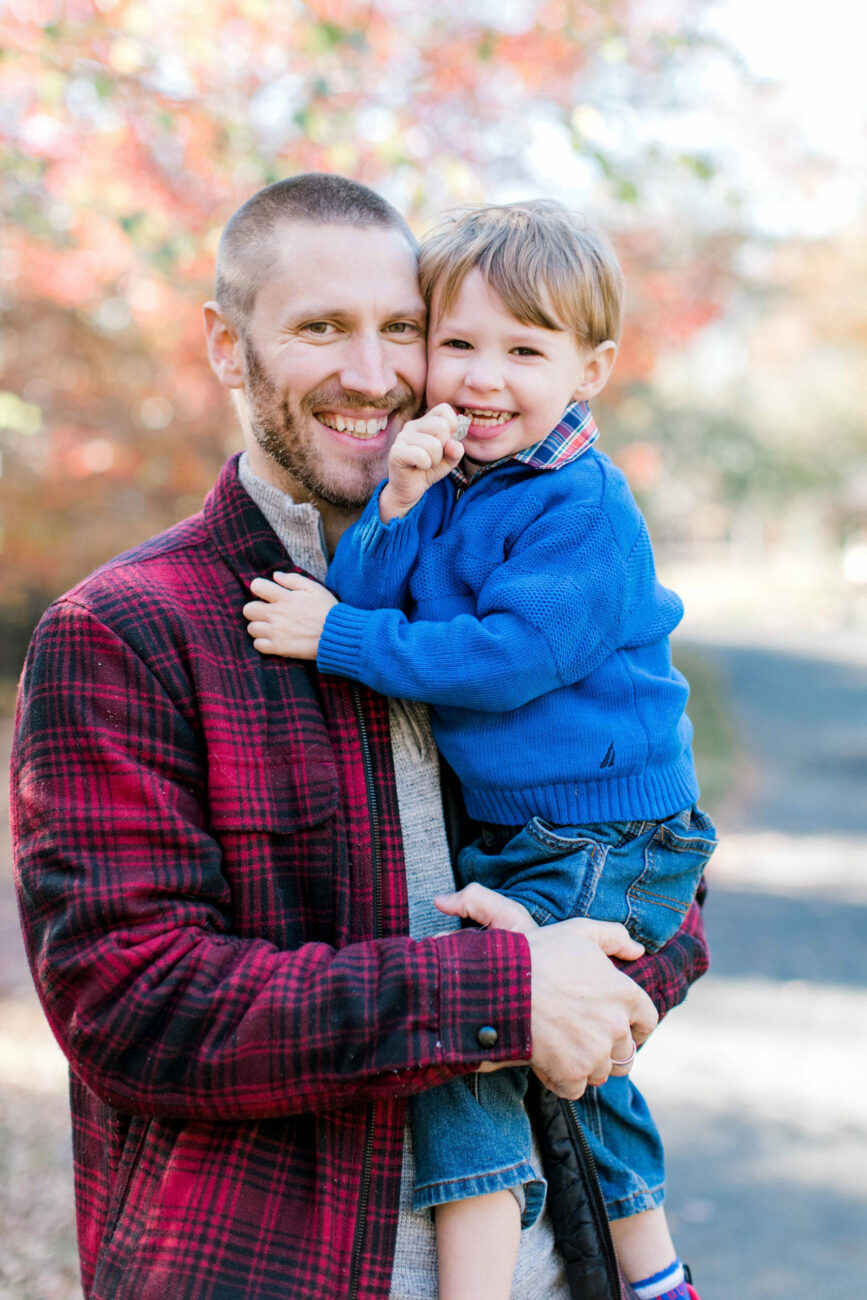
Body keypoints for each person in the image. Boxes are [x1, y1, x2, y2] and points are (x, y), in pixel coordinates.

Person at [10, 174, 709, 1300]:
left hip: (547, 1267)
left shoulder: (499, 561)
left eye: (403, 330)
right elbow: (132, 1006)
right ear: (228, 347)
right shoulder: (125, 633)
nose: (376, 375)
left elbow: (647, 865)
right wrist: (502, 992)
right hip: (277, 1268)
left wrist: (594, 981)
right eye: (321, 328)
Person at [242, 199, 714, 1300]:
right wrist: (400, 498)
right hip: (535, 825)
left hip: (608, 827)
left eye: (524, 349)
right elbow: (366, 586)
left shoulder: (581, 509)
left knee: (478, 1041)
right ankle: (658, 1275)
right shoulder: (455, 484)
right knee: (561, 1049)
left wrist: (340, 638)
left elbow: (505, 657)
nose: (482, 377)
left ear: (589, 367)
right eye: (456, 343)